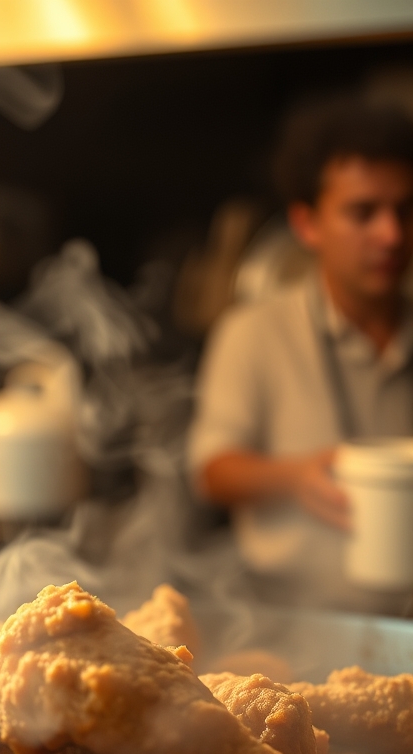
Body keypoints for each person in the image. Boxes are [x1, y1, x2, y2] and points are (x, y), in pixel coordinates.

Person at [187, 96, 413, 610]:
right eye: (363, 213)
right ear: (307, 223)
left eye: (405, 210)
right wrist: (295, 477)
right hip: (293, 618)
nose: (392, 235)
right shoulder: (253, 332)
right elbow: (210, 471)